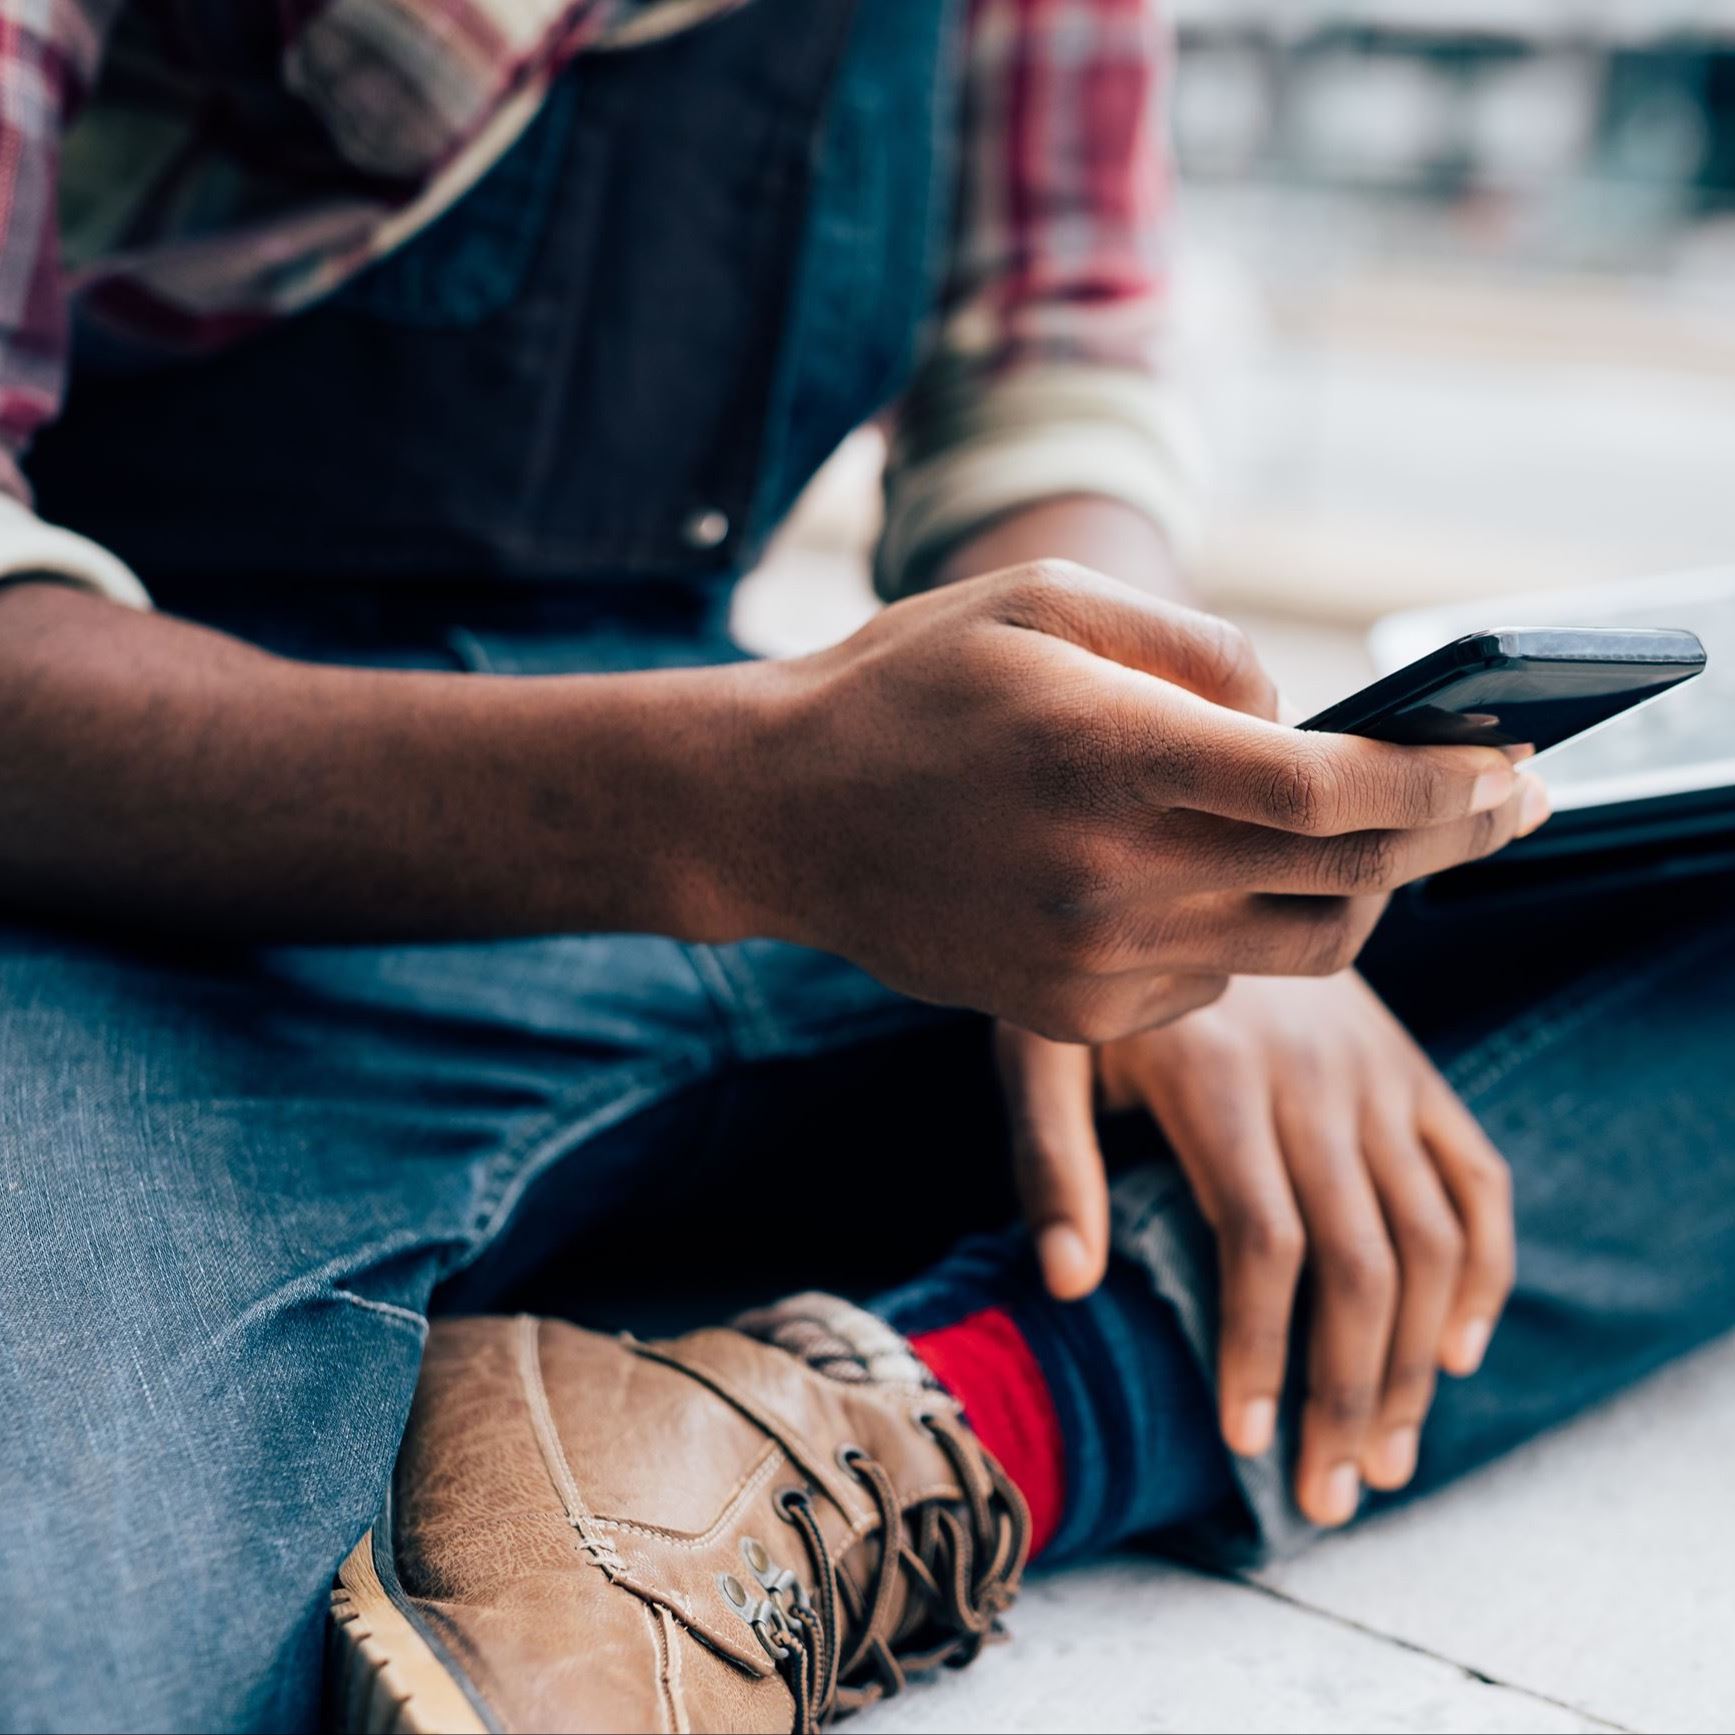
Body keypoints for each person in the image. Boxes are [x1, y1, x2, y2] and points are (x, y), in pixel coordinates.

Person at [0, 0, 1730, 1730]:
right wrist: (738, 810)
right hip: (178, 869)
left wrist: (1156, 826)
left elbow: (1051, 364)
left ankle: (851, 1438)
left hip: (777, 793)